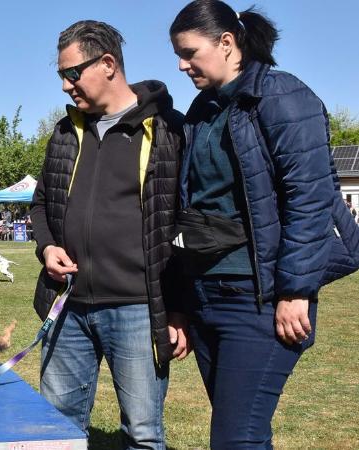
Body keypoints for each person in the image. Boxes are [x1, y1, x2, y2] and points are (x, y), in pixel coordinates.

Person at [169, 1, 336, 447]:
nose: (183, 66)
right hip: (205, 295)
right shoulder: (202, 109)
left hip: (258, 300)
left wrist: (295, 290)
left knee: (234, 438)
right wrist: (182, 302)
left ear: (227, 43)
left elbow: (311, 196)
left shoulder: (281, 95)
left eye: (189, 53)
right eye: (178, 57)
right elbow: (191, 207)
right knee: (244, 433)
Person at [30, 20, 188, 448]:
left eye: (72, 73)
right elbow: (41, 205)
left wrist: (178, 309)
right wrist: (46, 248)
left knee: (141, 433)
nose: (65, 86)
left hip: (139, 309)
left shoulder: (170, 130)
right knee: (55, 431)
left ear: (108, 64)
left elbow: (184, 222)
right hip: (67, 307)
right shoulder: (64, 133)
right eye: (61, 76)